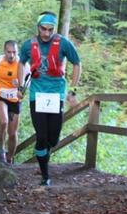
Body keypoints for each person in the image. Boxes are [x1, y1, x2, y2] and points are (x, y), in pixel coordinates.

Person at [19, 12, 81, 186]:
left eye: (50, 29)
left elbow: (77, 63)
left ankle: (44, 152)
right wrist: (20, 87)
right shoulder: (28, 45)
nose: (46, 33)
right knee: (41, 136)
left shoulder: (63, 43)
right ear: (38, 27)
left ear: (54, 29)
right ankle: (45, 175)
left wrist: (73, 90)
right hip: (36, 95)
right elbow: (21, 62)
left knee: (53, 138)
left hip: (56, 94)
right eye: (43, 29)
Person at [0, 40, 25, 164]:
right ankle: (1, 148)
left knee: (12, 133)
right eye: (9, 52)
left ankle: (9, 158)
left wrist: (21, 87)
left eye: (14, 52)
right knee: (3, 122)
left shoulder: (22, 63)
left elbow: (30, 79)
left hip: (14, 98)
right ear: (4, 51)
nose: (11, 55)